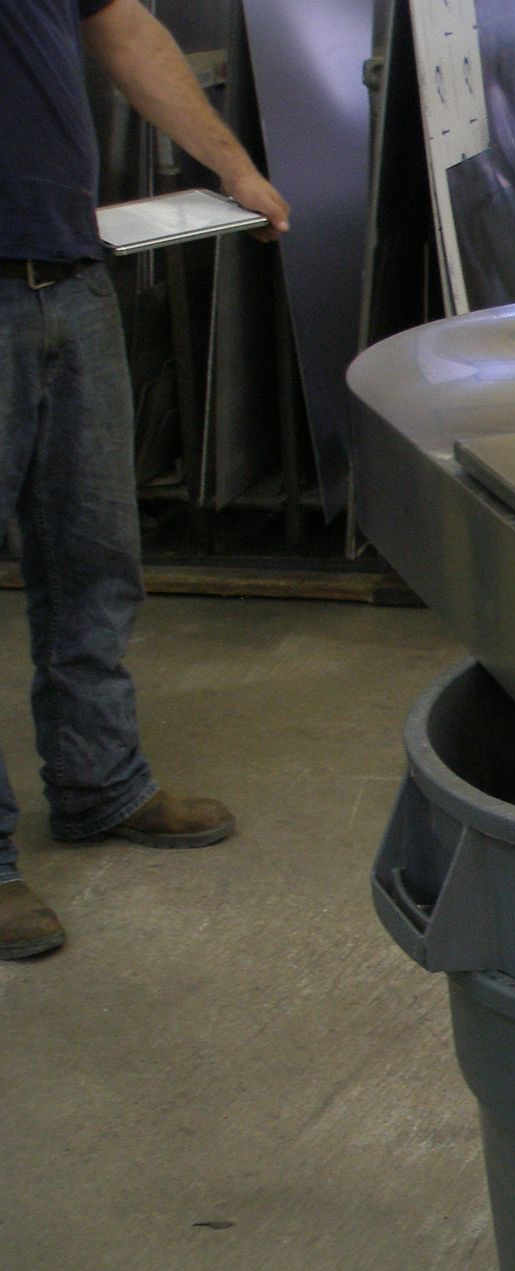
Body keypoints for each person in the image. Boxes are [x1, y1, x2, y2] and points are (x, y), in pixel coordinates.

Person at [0, 0, 290, 962]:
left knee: (94, 554)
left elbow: (122, 24)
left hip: (70, 276)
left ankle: (99, 782)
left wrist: (233, 166)